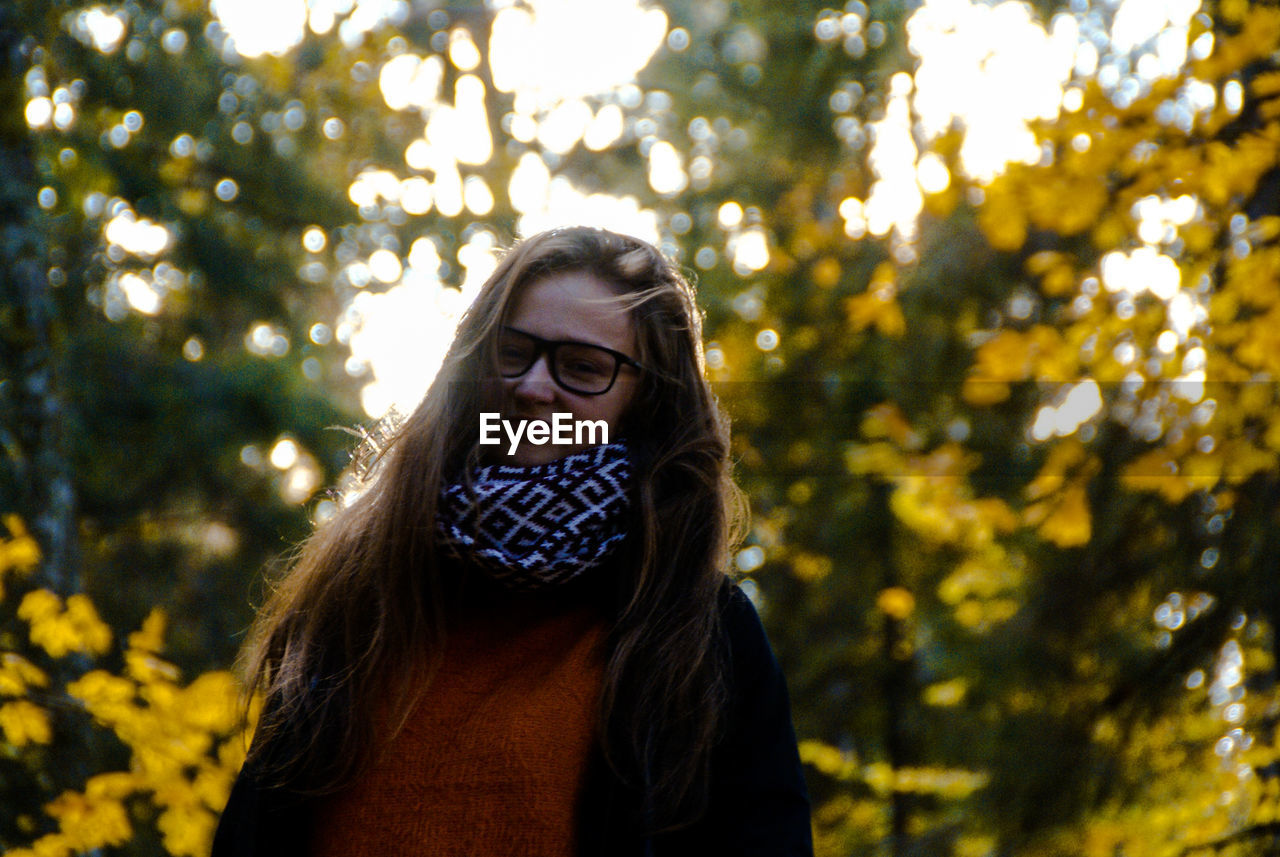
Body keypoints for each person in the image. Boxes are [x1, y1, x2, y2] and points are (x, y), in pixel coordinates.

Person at [212, 226, 813, 856]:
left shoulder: (701, 631)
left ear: (647, 404)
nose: (532, 389)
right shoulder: (361, 588)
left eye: (582, 368)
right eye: (513, 351)